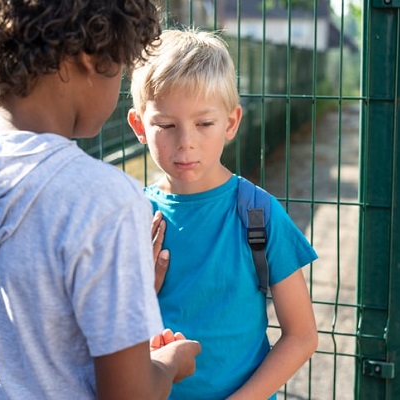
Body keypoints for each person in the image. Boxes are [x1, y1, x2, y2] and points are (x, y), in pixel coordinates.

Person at [0, 1, 200, 399]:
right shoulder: (105, 199)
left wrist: (124, 280)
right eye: (124, 63)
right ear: (92, 56)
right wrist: (170, 363)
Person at [127, 29, 319, 400]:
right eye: (166, 125)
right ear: (139, 126)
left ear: (231, 122)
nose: (186, 141)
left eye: (204, 123)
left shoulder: (258, 214)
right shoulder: (130, 216)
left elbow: (302, 335)